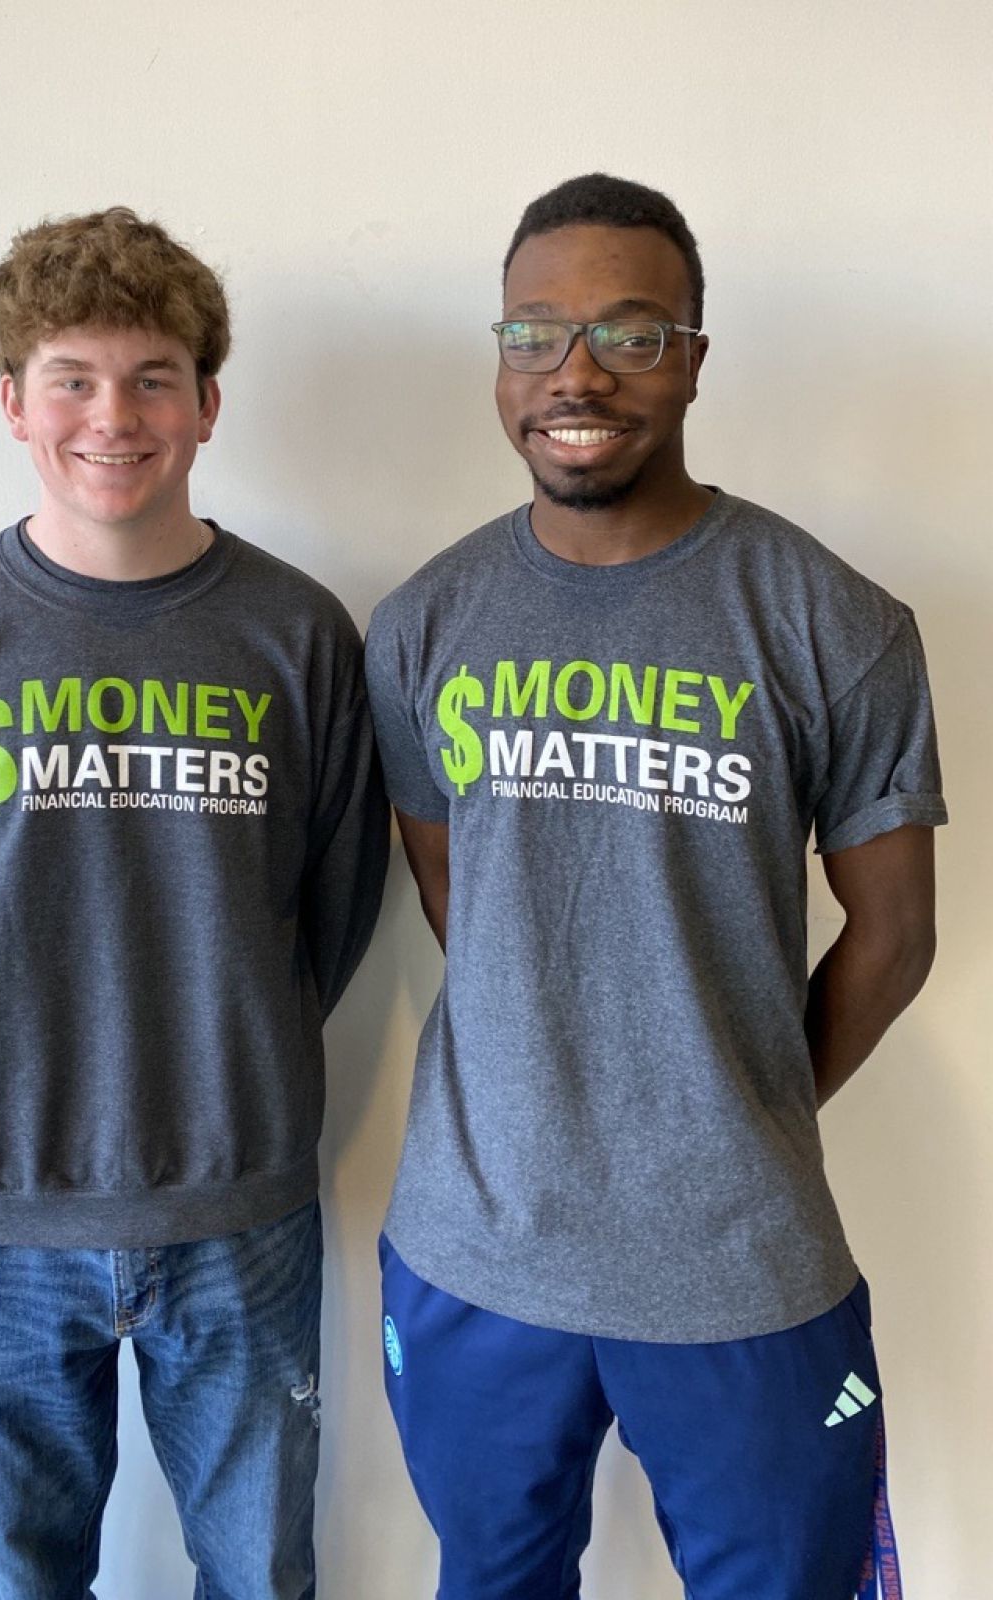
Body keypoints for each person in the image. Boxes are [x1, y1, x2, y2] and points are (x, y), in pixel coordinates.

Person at [365, 173, 945, 1600]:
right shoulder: (425, 621)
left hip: (742, 1267)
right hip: (472, 1257)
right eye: (535, 332)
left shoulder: (835, 621)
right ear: (498, 357)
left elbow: (896, 932)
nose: (574, 372)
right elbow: (461, 897)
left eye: (629, 333)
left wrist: (739, 1096)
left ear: (691, 356)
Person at [0, 205, 387, 1600]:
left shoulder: (298, 635)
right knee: (22, 1581)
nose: (113, 415)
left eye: (153, 377)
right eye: (72, 377)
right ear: (13, 402)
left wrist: (228, 1035)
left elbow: (332, 901)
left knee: (261, 1577)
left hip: (238, 1202)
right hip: (1, 1207)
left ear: (208, 403)